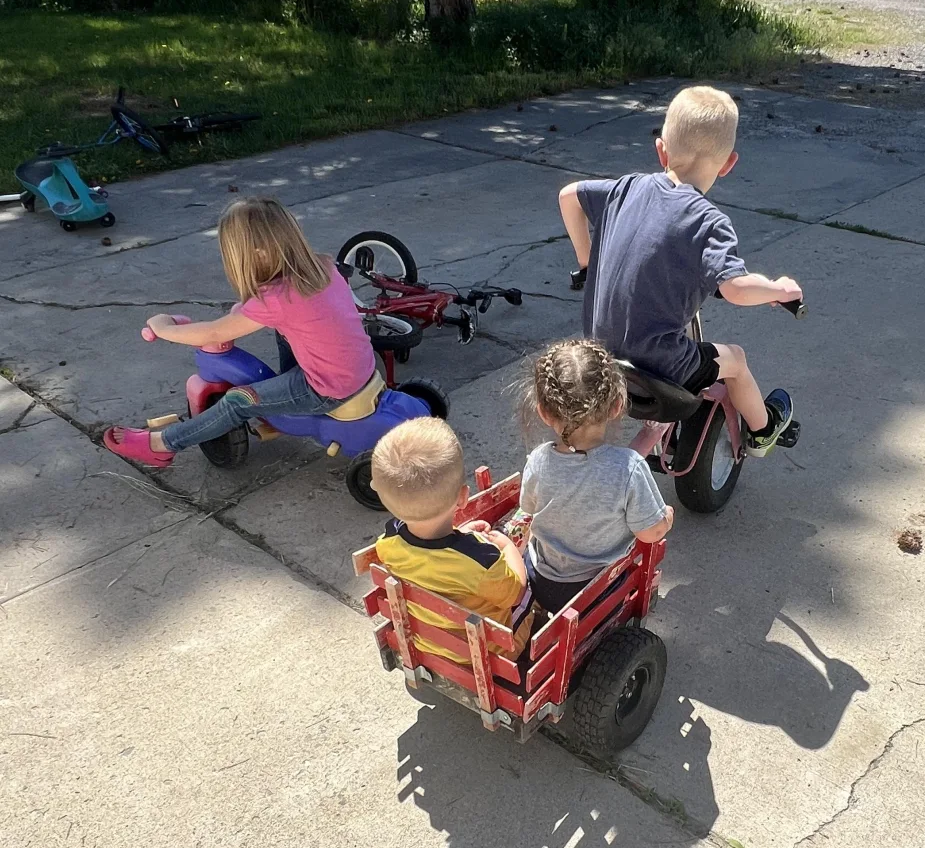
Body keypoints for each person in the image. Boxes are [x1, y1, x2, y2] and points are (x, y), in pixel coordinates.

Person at [558, 84, 803, 456]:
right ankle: (764, 429)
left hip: (599, 349)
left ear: (661, 150)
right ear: (728, 164)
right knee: (735, 359)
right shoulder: (709, 223)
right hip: (656, 366)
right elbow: (736, 287)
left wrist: (587, 262)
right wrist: (779, 289)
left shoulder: (625, 188)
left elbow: (569, 196)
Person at [102, 197, 377, 468]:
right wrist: (241, 312)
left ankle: (163, 445)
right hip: (358, 368)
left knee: (237, 401)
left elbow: (212, 335)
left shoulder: (278, 298)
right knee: (285, 332)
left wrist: (163, 328)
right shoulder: (321, 266)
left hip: (328, 390)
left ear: (256, 254)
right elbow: (278, 313)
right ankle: (281, 397)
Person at [520, 338, 674, 615]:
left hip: (541, 579)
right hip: (594, 591)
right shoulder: (629, 468)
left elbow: (528, 508)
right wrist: (666, 518)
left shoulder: (539, 460)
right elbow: (651, 533)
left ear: (544, 413)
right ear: (617, 407)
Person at [371, 418, 531, 658]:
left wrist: (462, 533)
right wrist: (507, 546)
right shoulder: (481, 562)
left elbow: (433, 556)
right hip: (487, 653)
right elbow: (516, 592)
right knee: (530, 581)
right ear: (463, 497)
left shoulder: (388, 543)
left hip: (428, 641)